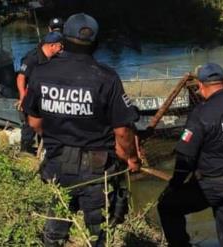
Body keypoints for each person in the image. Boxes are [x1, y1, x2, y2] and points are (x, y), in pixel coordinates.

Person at [22, 13, 140, 247]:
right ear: (95, 43)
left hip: (55, 162)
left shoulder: (41, 72)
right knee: (99, 233)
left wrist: (60, 135)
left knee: (54, 229)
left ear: (62, 40)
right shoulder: (107, 78)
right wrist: (132, 158)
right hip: (97, 169)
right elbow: (122, 132)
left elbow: (34, 123)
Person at [157, 63, 223, 247]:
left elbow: (186, 157)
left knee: (167, 207)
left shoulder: (201, 114)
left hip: (213, 185)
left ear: (201, 85)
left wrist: (175, 184)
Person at [16, 31, 63, 154]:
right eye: (60, 46)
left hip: (47, 93)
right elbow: (21, 77)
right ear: (52, 45)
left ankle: (48, 147)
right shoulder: (32, 58)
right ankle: (25, 149)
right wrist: (22, 96)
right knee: (30, 123)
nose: (62, 48)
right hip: (31, 93)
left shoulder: (56, 57)